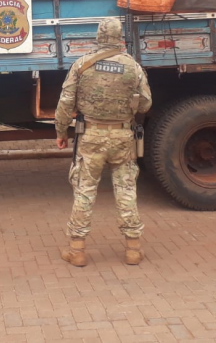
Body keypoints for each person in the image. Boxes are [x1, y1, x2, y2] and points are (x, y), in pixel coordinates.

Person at [54, 17, 152, 267]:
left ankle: (77, 250)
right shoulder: (133, 67)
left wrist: (61, 132)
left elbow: (65, 102)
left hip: (91, 137)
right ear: (120, 38)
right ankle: (133, 249)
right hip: (122, 137)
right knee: (126, 190)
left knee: (84, 190)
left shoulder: (82, 64)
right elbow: (146, 103)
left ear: (98, 37)